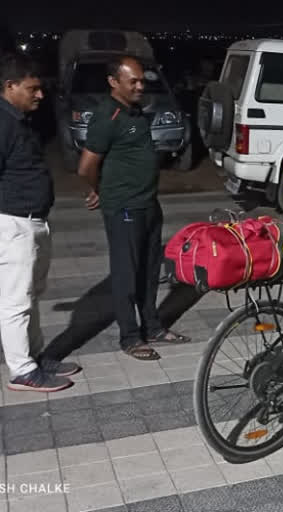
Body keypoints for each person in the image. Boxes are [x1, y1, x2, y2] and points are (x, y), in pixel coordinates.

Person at [74, 55, 190, 361]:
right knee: (127, 274)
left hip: (148, 203)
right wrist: (99, 189)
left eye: (142, 80)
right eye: (133, 81)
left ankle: (153, 327)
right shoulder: (106, 116)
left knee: (150, 272)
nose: (141, 86)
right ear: (114, 82)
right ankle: (129, 337)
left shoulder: (134, 112)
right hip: (124, 207)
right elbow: (86, 166)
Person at [0, 53, 80, 391]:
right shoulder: (2, 123)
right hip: (13, 223)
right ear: (10, 86)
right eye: (33, 88)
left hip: (32, 222)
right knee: (15, 300)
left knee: (31, 296)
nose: (40, 95)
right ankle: (21, 370)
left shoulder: (18, 120)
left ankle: (33, 357)